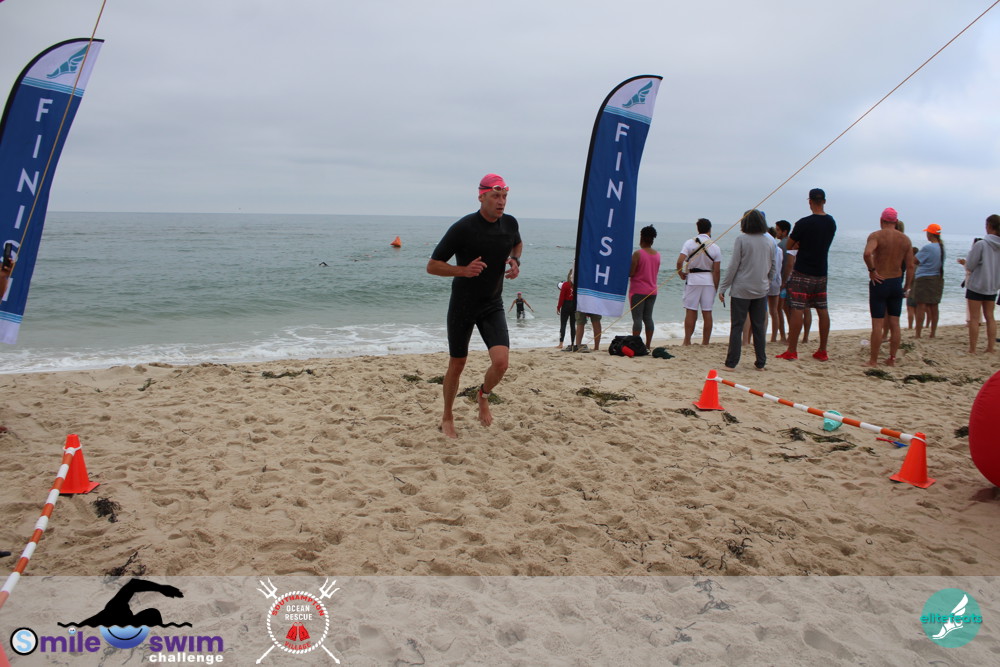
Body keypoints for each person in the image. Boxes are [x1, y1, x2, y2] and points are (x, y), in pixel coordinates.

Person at [426, 173, 522, 438]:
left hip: (492, 304)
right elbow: (432, 266)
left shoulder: (510, 223)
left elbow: (517, 243)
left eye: (504, 196)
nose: (501, 201)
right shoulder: (463, 228)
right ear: (481, 197)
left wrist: (516, 261)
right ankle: (447, 415)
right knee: (457, 364)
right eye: (495, 196)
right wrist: (463, 270)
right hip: (463, 305)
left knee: (501, 363)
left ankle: (483, 395)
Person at [776, 188, 836, 361]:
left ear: (809, 201)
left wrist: (801, 244)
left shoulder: (804, 223)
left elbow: (790, 245)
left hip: (803, 270)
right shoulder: (831, 222)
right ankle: (822, 350)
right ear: (824, 201)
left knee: (797, 308)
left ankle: (792, 350)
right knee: (822, 309)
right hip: (821, 271)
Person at [717, 210, 775, 370]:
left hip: (741, 290)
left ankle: (731, 363)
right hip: (761, 289)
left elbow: (733, 266)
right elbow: (773, 266)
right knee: (758, 327)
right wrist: (767, 282)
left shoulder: (742, 240)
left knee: (737, 326)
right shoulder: (769, 241)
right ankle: (761, 362)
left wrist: (723, 287)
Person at [862, 207, 915, 367]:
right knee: (895, 323)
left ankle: (873, 360)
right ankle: (892, 358)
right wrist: (906, 286)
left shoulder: (876, 235)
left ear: (881, 220)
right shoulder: (905, 239)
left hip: (880, 282)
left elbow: (867, 254)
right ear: (896, 222)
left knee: (877, 324)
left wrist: (872, 271)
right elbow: (910, 266)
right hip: (896, 282)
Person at [677, 218, 722, 345]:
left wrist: (681, 273)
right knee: (707, 312)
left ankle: (687, 340)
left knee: (691, 310)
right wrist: (716, 287)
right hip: (708, 280)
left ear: (698, 229)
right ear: (710, 229)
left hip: (693, 279)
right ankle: (705, 342)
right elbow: (717, 271)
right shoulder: (715, 247)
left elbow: (679, 262)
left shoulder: (689, 243)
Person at [962, 214, 1000, 354]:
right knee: (990, 317)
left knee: (974, 318)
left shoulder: (981, 244)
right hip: (992, 285)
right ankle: (990, 347)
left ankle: (972, 349)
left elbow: (970, 265)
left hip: (977, 285)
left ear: (989, 226)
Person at [628, 225, 661, 349]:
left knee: (637, 319)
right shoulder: (657, 255)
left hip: (638, 290)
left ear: (642, 238)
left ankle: (635, 344)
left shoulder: (637, 254)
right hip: (652, 290)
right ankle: (648, 345)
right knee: (648, 318)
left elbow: (632, 273)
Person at [913, 223, 945, 339]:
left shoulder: (928, 247)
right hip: (937, 278)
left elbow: (915, 260)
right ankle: (933, 333)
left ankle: (918, 333)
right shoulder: (941, 247)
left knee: (921, 305)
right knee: (934, 306)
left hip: (924, 278)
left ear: (930, 234)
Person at [768, 224, 787, 343]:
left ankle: (753, 337)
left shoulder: (768, 249)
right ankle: (774, 337)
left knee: (764, 311)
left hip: (768, 280)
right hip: (776, 281)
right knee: (774, 311)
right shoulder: (779, 250)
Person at [556, 268, 576, 349]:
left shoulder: (565, 284)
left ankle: (561, 343)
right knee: (573, 325)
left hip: (566, 305)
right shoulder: (577, 285)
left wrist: (558, 307)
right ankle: (572, 343)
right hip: (574, 305)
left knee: (563, 324)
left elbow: (561, 297)